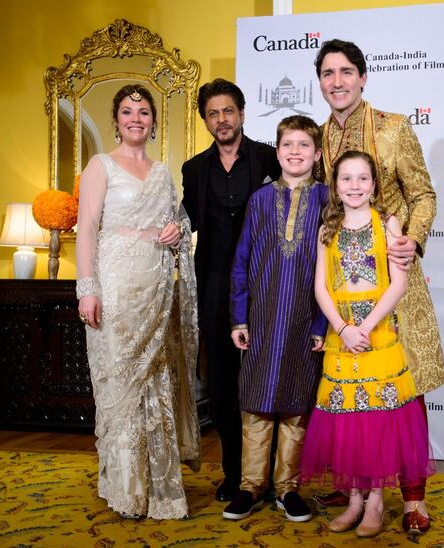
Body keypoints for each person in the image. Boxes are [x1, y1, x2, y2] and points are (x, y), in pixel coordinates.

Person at [312, 38, 444, 534]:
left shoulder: (394, 128)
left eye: (347, 71)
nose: (338, 81)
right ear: (321, 82)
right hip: (347, 285)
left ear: (364, 77)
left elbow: (423, 194)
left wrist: (412, 239)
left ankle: (414, 498)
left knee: (404, 391)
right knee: (353, 391)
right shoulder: (318, 137)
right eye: (328, 73)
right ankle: (359, 486)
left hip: (397, 281)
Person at [75, 85, 200, 520]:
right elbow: (87, 229)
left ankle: (160, 490)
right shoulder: (100, 166)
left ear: (152, 121)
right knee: (121, 388)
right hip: (115, 289)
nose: (135, 118)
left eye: (143, 112)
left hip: (156, 292)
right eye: (127, 112)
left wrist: (176, 233)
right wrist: (86, 288)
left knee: (154, 386)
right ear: (116, 120)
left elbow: (177, 225)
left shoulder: (164, 173)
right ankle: (126, 490)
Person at [299, 151, 435, 538]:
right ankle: (354, 499)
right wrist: (342, 328)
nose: (355, 186)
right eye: (346, 179)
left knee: (377, 419)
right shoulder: (329, 227)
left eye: (362, 179)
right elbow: (320, 287)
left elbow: (399, 283)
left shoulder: (387, 222)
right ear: (335, 186)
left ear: (375, 184)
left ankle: (375, 501)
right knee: (348, 419)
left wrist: (367, 325)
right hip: (342, 337)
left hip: (378, 335)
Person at [181, 79, 282, 502]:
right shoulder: (194, 169)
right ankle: (234, 473)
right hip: (215, 285)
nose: (221, 119)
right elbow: (185, 223)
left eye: (228, 111)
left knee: (263, 378)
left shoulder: (269, 158)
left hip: (265, 284)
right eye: (212, 113)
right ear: (205, 121)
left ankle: (272, 476)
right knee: (222, 383)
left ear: (241, 113)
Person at [222, 116, 327, 522]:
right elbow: (241, 261)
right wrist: (238, 318)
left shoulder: (327, 200)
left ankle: (287, 488)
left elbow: (332, 269)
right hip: (262, 319)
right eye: (288, 144)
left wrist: (321, 325)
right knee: (256, 402)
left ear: (317, 155)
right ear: (277, 150)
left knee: (296, 404)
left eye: (304, 145)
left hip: (305, 318)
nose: (295, 151)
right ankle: (251, 487)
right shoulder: (260, 200)